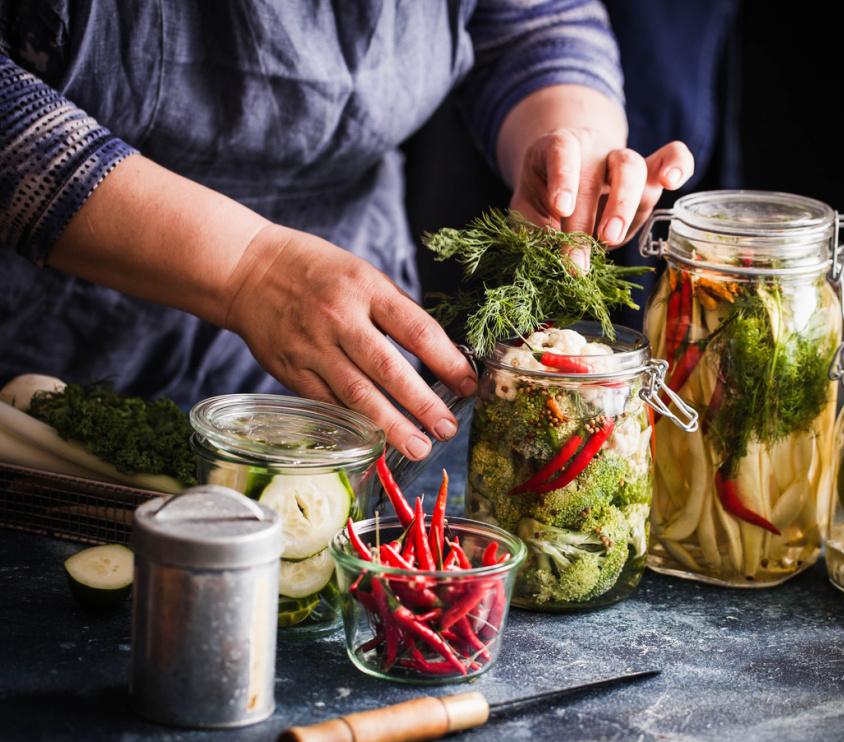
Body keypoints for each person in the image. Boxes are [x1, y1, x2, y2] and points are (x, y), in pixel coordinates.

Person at [0, 1, 692, 461]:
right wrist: (247, 268)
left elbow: (533, 23)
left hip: (353, 370)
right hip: (54, 365)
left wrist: (569, 139)